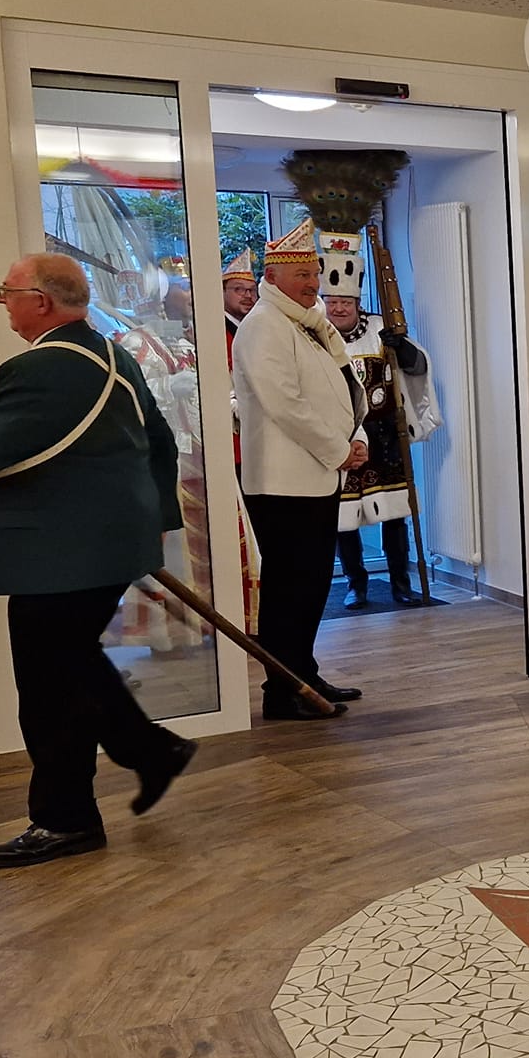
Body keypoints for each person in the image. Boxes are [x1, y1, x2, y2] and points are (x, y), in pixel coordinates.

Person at [0, 253, 197, 868]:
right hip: (105, 548)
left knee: (49, 690)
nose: (2, 302)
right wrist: (152, 523)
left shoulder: (37, 367)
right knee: (74, 665)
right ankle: (149, 752)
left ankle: (67, 820)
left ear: (40, 301)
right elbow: (159, 441)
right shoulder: (113, 354)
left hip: (55, 554)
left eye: (7, 291)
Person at [232, 218, 366, 720]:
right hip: (283, 483)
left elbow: (345, 387)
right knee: (289, 590)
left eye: (314, 274)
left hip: (316, 476)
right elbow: (284, 403)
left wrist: (356, 438)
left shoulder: (308, 323)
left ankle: (304, 676)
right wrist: (338, 450)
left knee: (311, 586)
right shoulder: (264, 325)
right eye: (302, 276)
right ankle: (283, 690)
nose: (313, 284)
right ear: (273, 277)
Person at [323, 286, 429, 611]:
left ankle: (401, 583)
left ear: (357, 303)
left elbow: (417, 367)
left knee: (394, 512)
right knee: (344, 518)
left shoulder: (381, 327)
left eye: (345, 302)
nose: (339, 309)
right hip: (342, 436)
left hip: (384, 436)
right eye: (332, 302)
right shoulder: (316, 335)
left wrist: (401, 346)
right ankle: (356, 584)